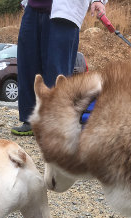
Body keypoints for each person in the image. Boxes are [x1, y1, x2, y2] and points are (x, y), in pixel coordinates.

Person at [11, 0, 107, 135]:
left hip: (65, 10)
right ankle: (31, 120)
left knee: (57, 70)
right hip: (32, 8)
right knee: (28, 64)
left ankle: (54, 123)